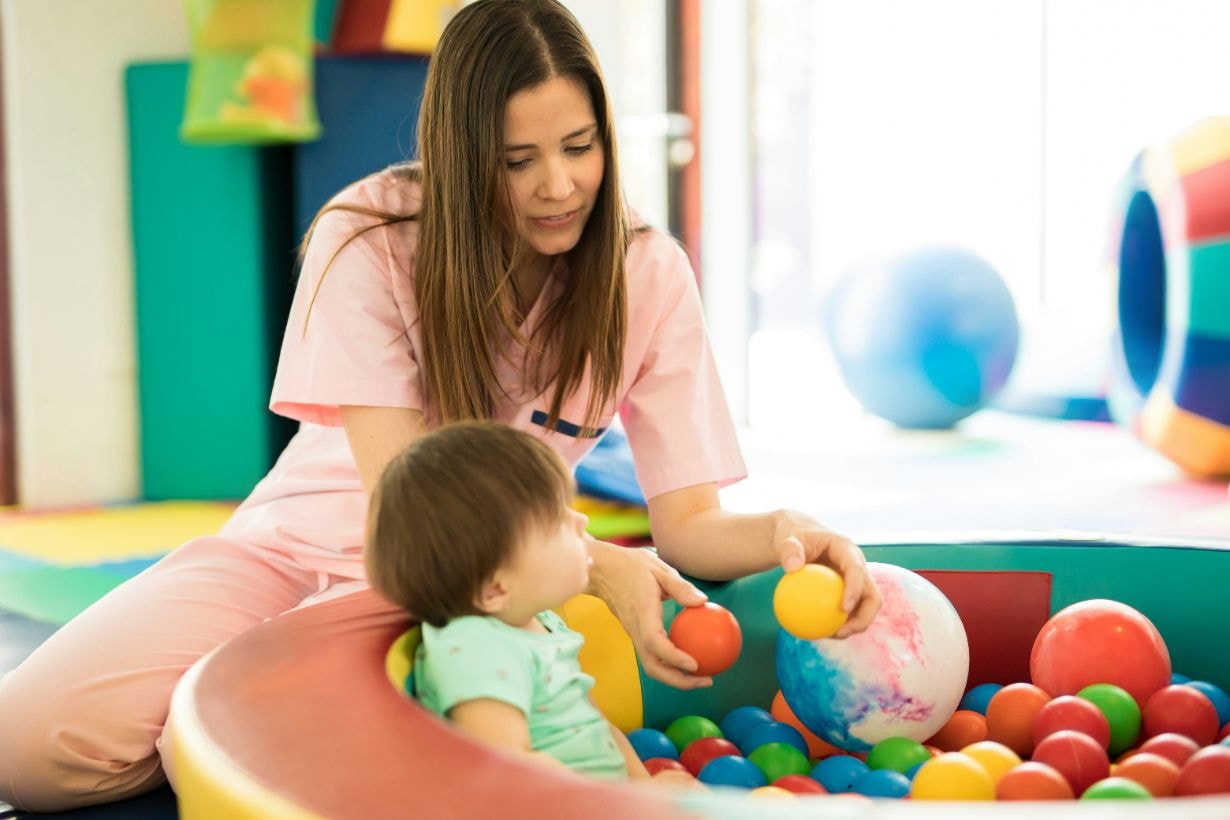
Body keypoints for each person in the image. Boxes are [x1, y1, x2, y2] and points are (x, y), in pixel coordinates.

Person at [0, 0, 880, 811]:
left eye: (579, 146)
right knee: (26, 753)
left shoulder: (647, 274)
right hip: (298, 549)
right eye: (517, 161)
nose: (559, 187)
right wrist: (600, 566)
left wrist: (784, 535)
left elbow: (687, 524)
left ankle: (214, 728)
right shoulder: (370, 236)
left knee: (240, 757)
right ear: (461, 156)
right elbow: (404, 502)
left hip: (453, 589)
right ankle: (202, 718)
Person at [367, 420, 685, 784]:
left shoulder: (541, 622)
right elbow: (509, 770)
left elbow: (595, 726)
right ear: (495, 590)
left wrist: (643, 790)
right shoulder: (476, 648)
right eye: (556, 521)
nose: (581, 520)